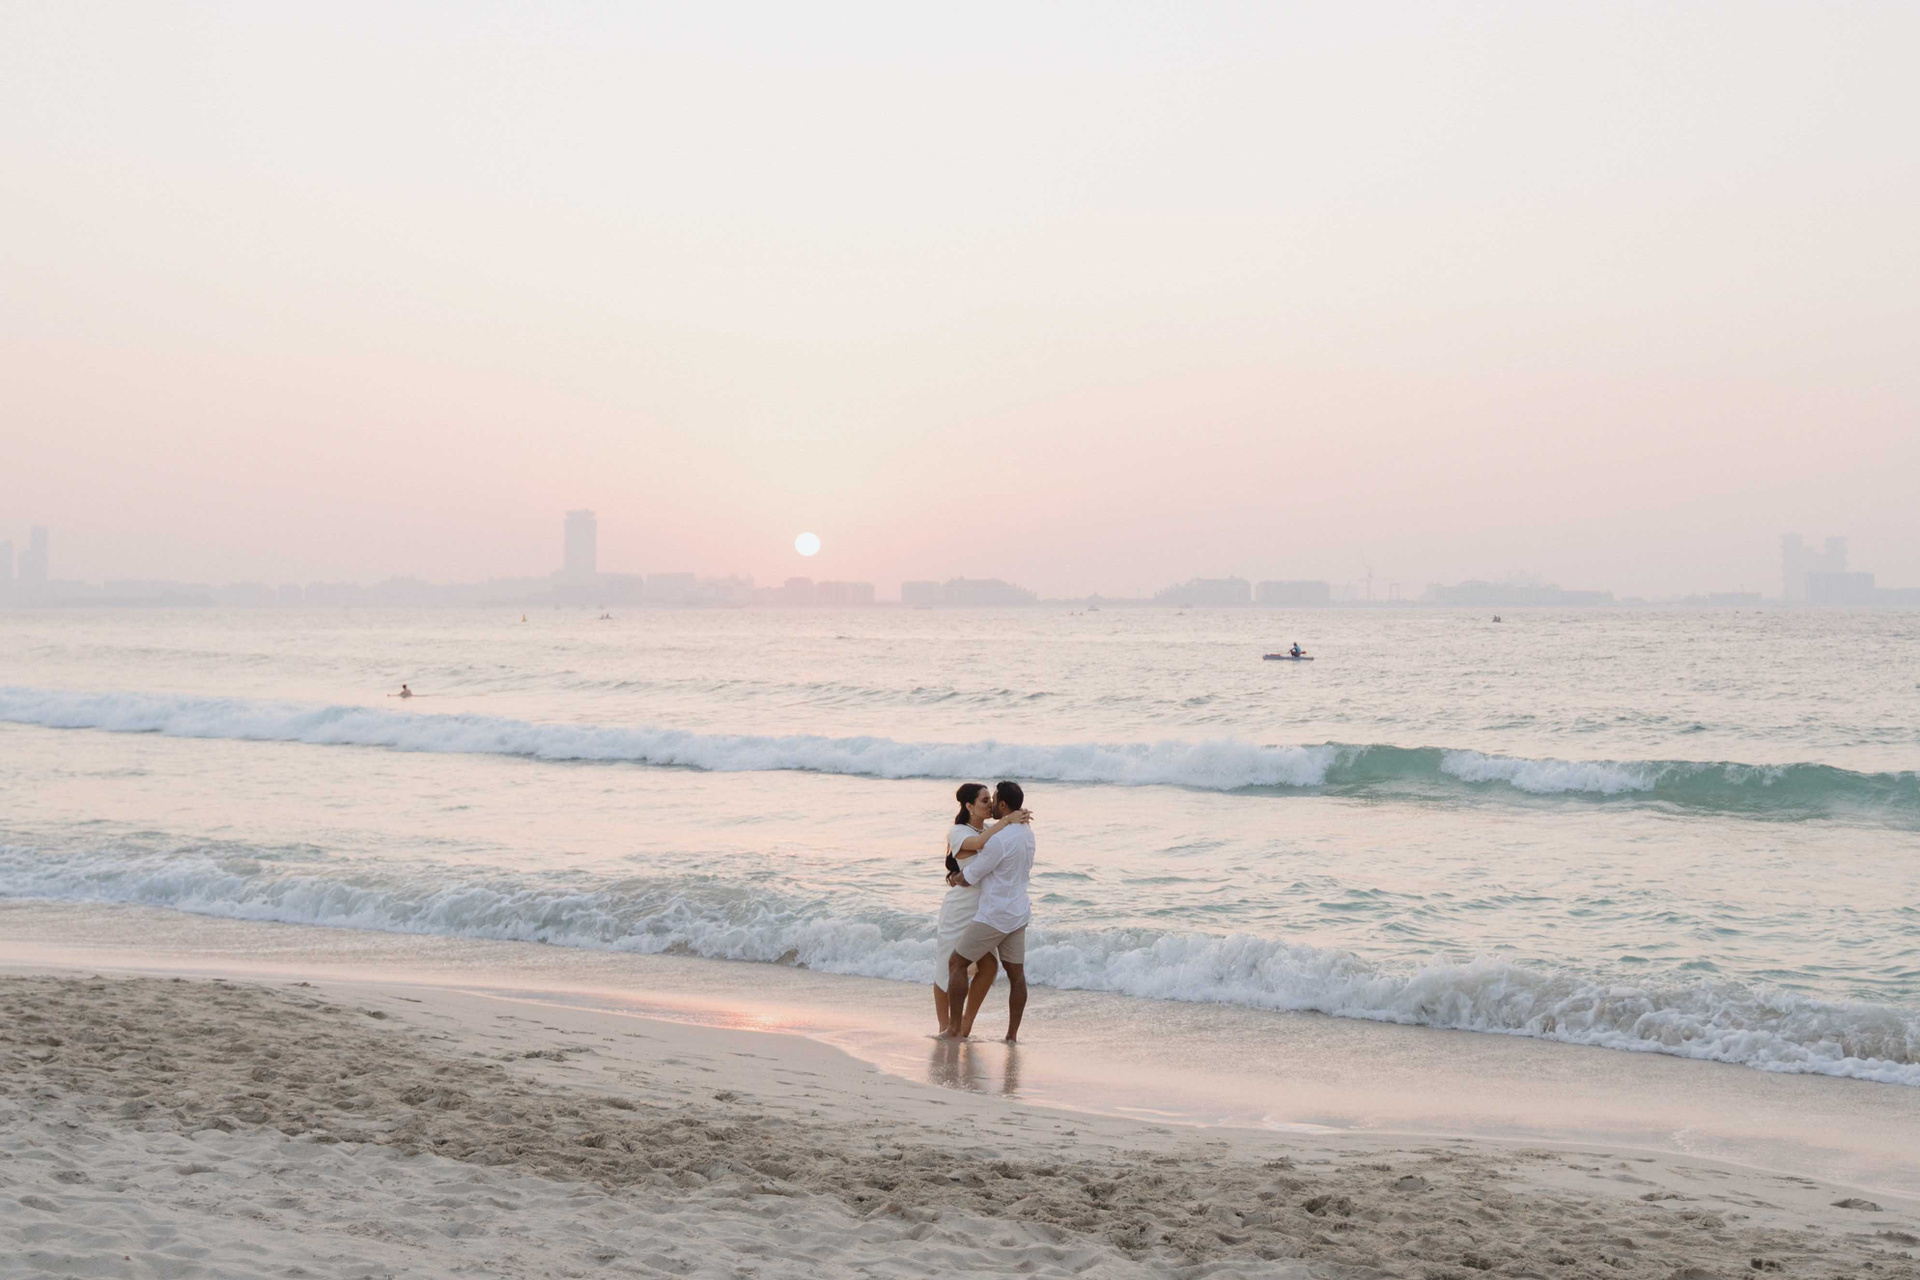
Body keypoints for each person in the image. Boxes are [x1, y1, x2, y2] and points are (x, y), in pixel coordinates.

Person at [941, 781, 1035, 1042]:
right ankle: (1011, 1036)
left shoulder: (999, 840)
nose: (992, 803)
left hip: (994, 916)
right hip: (1018, 913)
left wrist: (956, 878)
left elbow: (972, 875)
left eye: (994, 798)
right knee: (1016, 976)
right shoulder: (1027, 833)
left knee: (956, 963)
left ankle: (953, 1029)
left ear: (1003, 804)